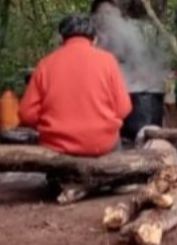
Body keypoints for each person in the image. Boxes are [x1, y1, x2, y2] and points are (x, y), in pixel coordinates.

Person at [19, 14, 132, 156]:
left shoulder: (45, 64)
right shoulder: (108, 61)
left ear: (62, 39)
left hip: (56, 146)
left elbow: (26, 114)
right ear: (94, 39)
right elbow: (123, 108)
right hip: (101, 144)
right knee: (116, 142)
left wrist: (50, 121)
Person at [90, 0, 168, 144]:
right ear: (94, 17)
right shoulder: (90, 39)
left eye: (110, 13)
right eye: (103, 13)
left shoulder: (127, 36)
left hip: (125, 94)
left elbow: (139, 62)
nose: (107, 18)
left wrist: (144, 76)